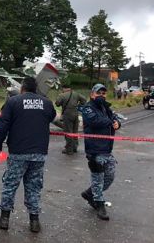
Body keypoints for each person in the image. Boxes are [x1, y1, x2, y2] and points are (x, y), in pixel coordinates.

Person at [0, 77, 56, 233]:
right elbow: (52, 117)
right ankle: (34, 221)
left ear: (22, 88)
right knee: (34, 187)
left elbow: (2, 125)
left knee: (10, 185)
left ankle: (5, 219)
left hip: (18, 152)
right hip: (39, 153)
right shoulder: (46, 103)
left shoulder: (13, 102)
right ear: (36, 89)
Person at [80, 84, 121, 221]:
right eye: (99, 93)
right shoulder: (87, 108)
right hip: (94, 150)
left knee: (110, 176)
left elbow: (115, 118)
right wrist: (111, 121)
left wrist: (117, 123)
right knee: (98, 178)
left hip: (107, 149)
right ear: (92, 94)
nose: (102, 95)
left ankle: (89, 193)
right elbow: (96, 121)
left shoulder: (106, 108)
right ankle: (99, 204)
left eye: (104, 93)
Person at [55, 84, 86, 155]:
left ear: (64, 88)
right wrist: (78, 105)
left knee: (68, 132)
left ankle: (69, 150)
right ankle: (75, 147)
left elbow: (57, 104)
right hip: (75, 114)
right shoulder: (76, 94)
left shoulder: (62, 95)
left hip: (67, 115)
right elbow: (84, 100)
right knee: (75, 131)